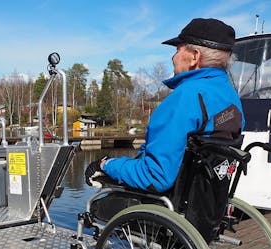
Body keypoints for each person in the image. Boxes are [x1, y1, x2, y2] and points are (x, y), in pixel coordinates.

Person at [85, 18, 245, 193]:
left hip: (170, 203)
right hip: (206, 201)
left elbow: (155, 176)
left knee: (96, 206)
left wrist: (106, 164)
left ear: (194, 56)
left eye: (178, 49)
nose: (173, 57)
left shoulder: (185, 97)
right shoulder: (231, 95)